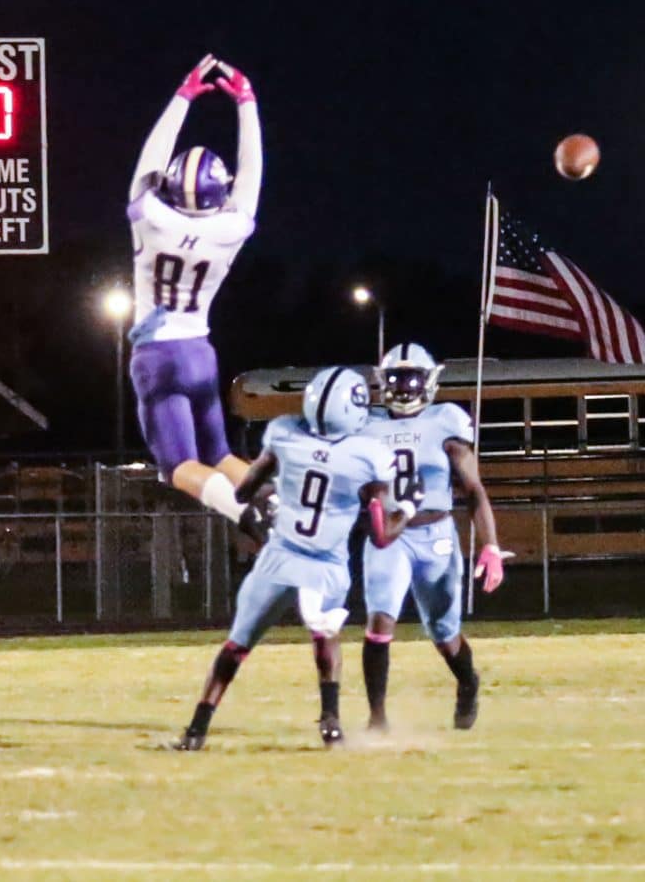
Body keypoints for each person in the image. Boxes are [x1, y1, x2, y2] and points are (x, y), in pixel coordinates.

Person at [175, 365, 418, 751]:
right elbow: (383, 535)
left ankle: (196, 731)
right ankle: (331, 724)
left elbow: (244, 493)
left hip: (280, 555)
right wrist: (406, 507)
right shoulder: (368, 456)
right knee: (324, 636)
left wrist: (280, 493)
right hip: (326, 565)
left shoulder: (285, 434)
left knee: (237, 645)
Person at [127, 53, 264, 535]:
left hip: (156, 356)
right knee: (221, 456)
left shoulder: (152, 218)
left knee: (179, 468)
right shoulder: (229, 229)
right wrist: (246, 103)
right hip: (200, 353)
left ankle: (247, 514)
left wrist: (183, 96)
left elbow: (149, 162)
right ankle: (289, 505)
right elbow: (251, 175)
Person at [360, 342, 505, 731]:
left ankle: (467, 682)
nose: (404, 387)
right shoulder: (366, 423)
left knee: (444, 633)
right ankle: (377, 720)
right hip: (389, 536)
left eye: (412, 378)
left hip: (436, 534)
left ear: (429, 381)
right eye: (396, 378)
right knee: (379, 622)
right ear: (381, 381)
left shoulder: (446, 420)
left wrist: (489, 544)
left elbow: (473, 488)